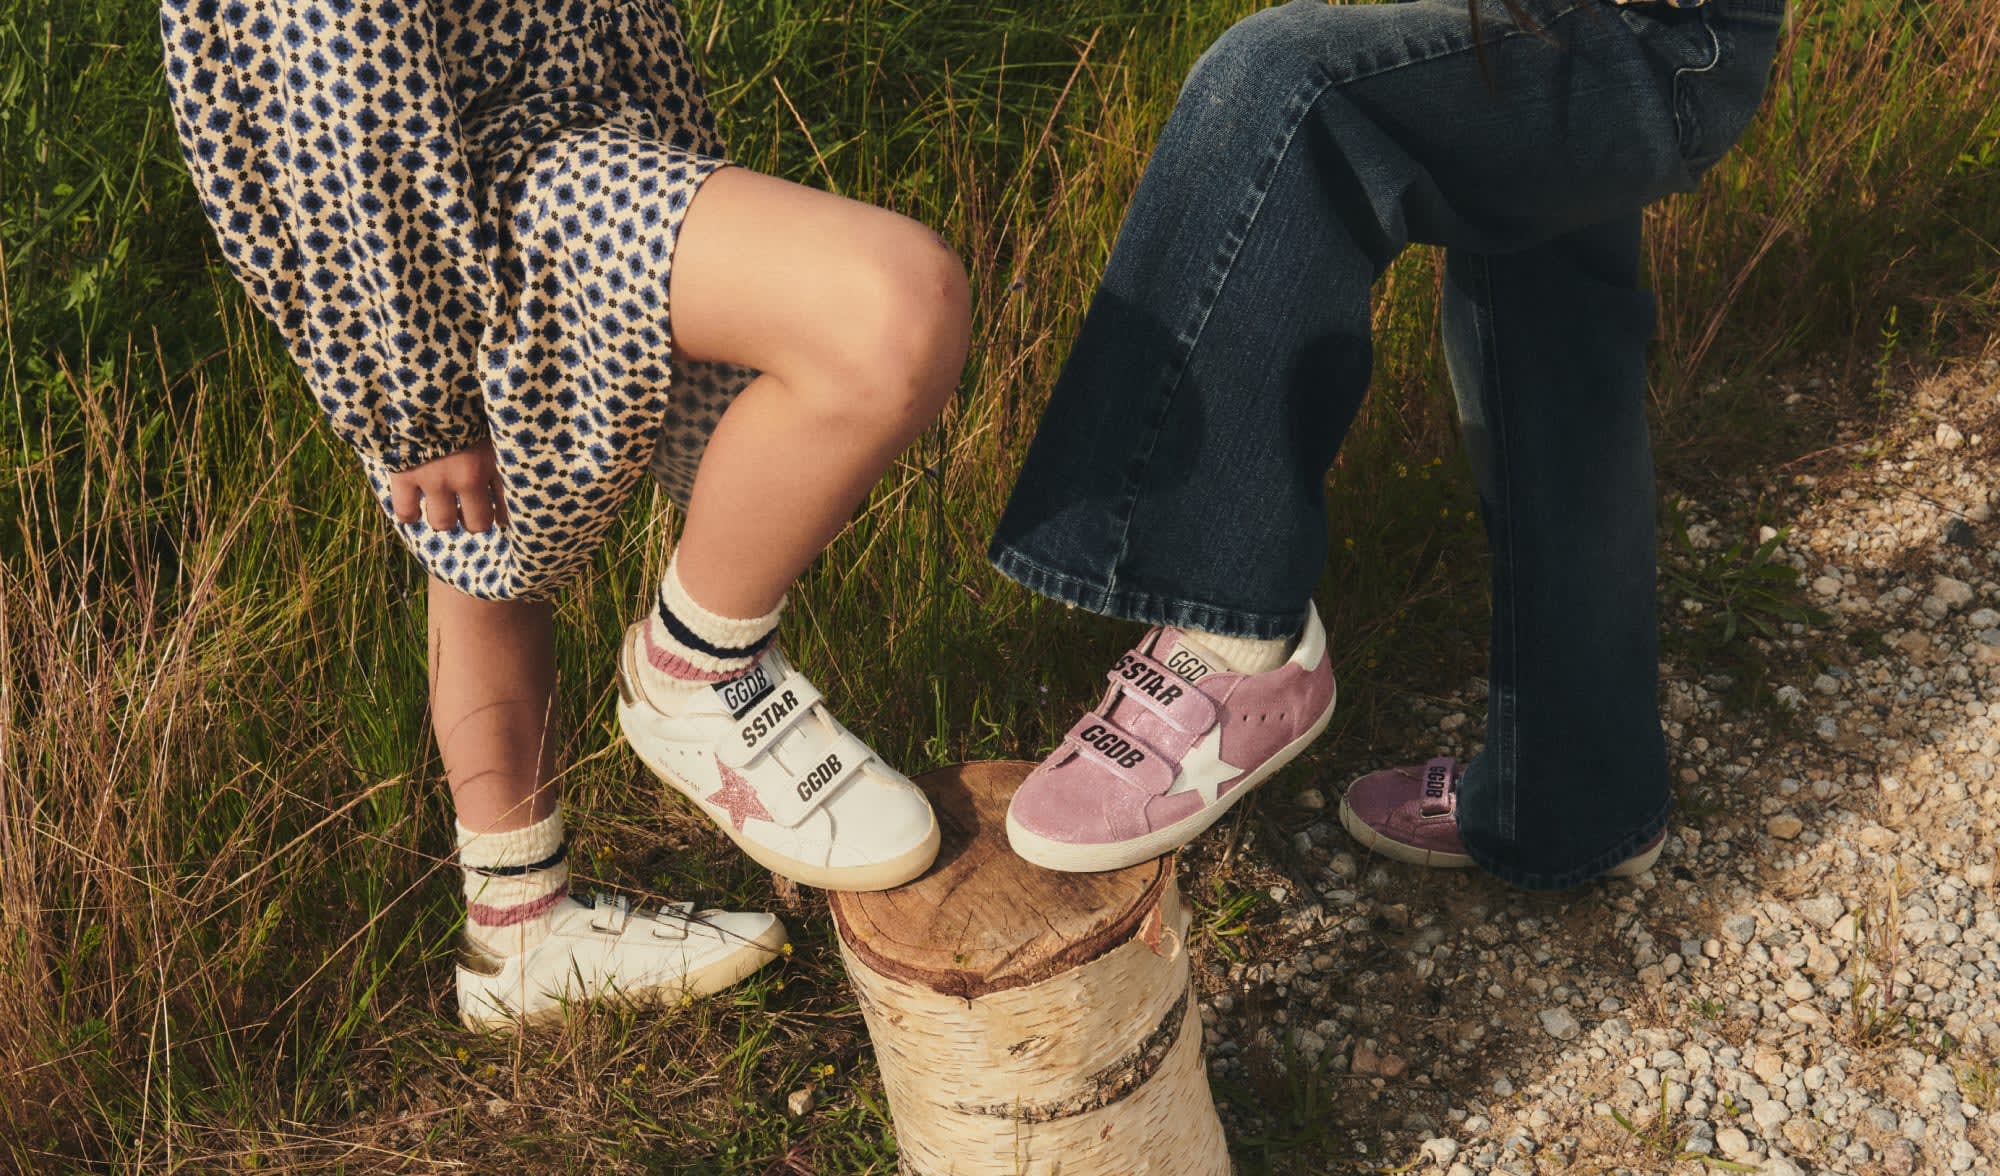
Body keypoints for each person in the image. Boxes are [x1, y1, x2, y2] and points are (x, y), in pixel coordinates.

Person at [160, 0, 969, 1027]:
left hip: (540, 146)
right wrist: (416, 393)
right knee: (894, 306)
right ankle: (696, 668)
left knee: (476, 540)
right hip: (487, 184)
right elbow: (339, 104)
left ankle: (520, 928)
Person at [989, 0, 1782, 888]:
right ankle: (1578, 802)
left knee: (1290, 85)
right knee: (1555, 356)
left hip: (1657, 33)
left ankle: (1235, 636)